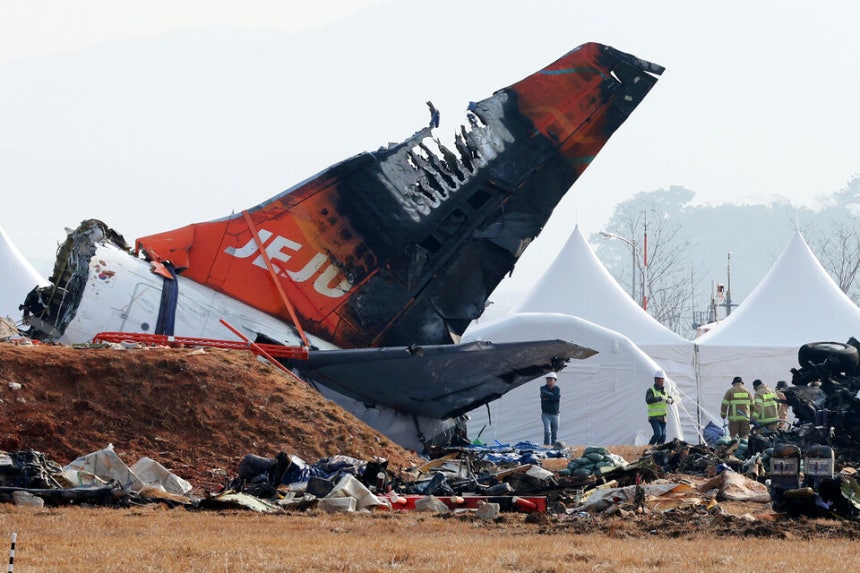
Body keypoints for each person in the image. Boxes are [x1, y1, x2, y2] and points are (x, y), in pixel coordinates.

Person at [645, 369, 674, 445]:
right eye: (661, 380)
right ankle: (648, 447)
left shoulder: (664, 391)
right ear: (656, 380)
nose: (662, 381)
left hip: (663, 417)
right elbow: (648, 400)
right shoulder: (651, 390)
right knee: (658, 434)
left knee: (663, 436)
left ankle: (658, 451)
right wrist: (660, 398)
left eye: (662, 380)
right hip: (654, 417)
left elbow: (670, 398)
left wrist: (671, 400)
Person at [539, 372, 561, 446]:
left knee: (554, 433)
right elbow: (545, 394)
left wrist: (548, 397)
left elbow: (556, 397)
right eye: (547, 379)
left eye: (550, 379)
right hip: (546, 414)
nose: (548, 381)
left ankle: (554, 446)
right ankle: (546, 445)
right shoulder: (543, 388)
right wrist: (552, 397)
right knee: (547, 432)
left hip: (555, 414)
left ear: (555, 380)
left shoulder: (557, 389)